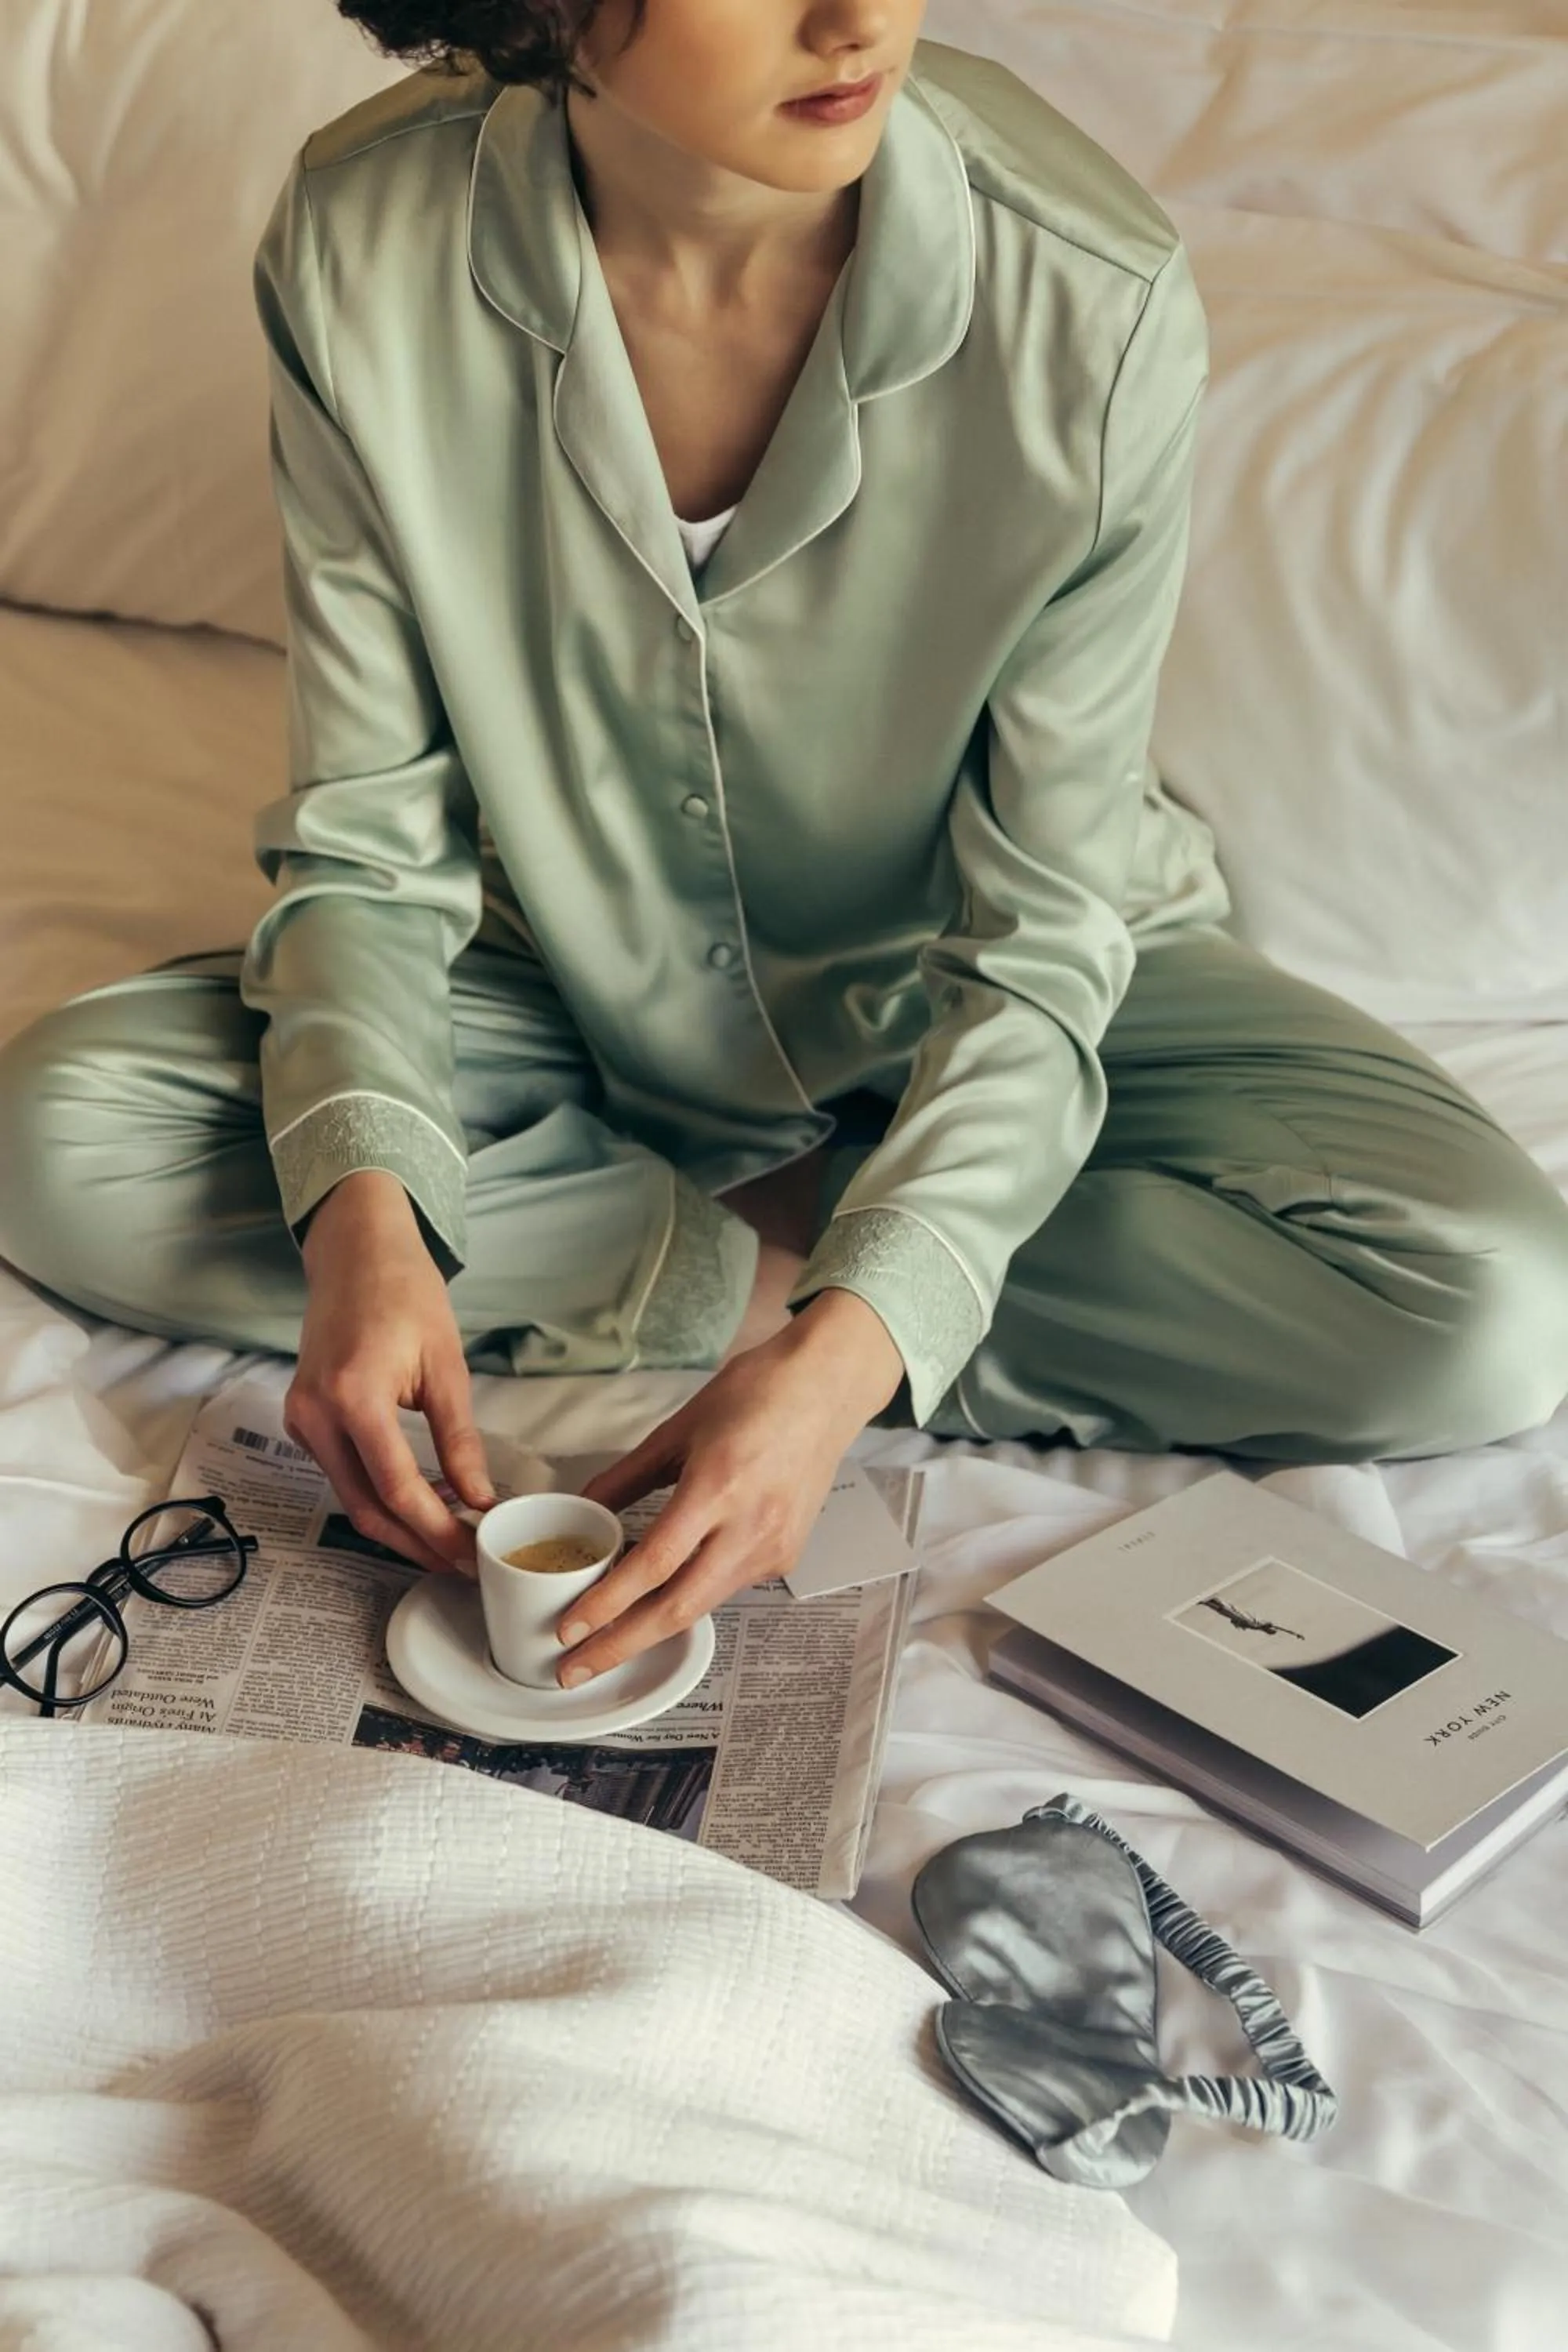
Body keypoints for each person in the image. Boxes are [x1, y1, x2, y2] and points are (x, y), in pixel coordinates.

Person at [2, 1, 1566, 1693]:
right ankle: (757, 1267)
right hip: (561, 974)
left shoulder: (1089, 296)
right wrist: (365, 1225)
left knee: (1485, 1310)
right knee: (63, 1141)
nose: (855, 19)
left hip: (994, 975)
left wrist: (851, 1358)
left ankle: (812, 1274)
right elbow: (371, 846)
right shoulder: (362, 241)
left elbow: (1043, 936)